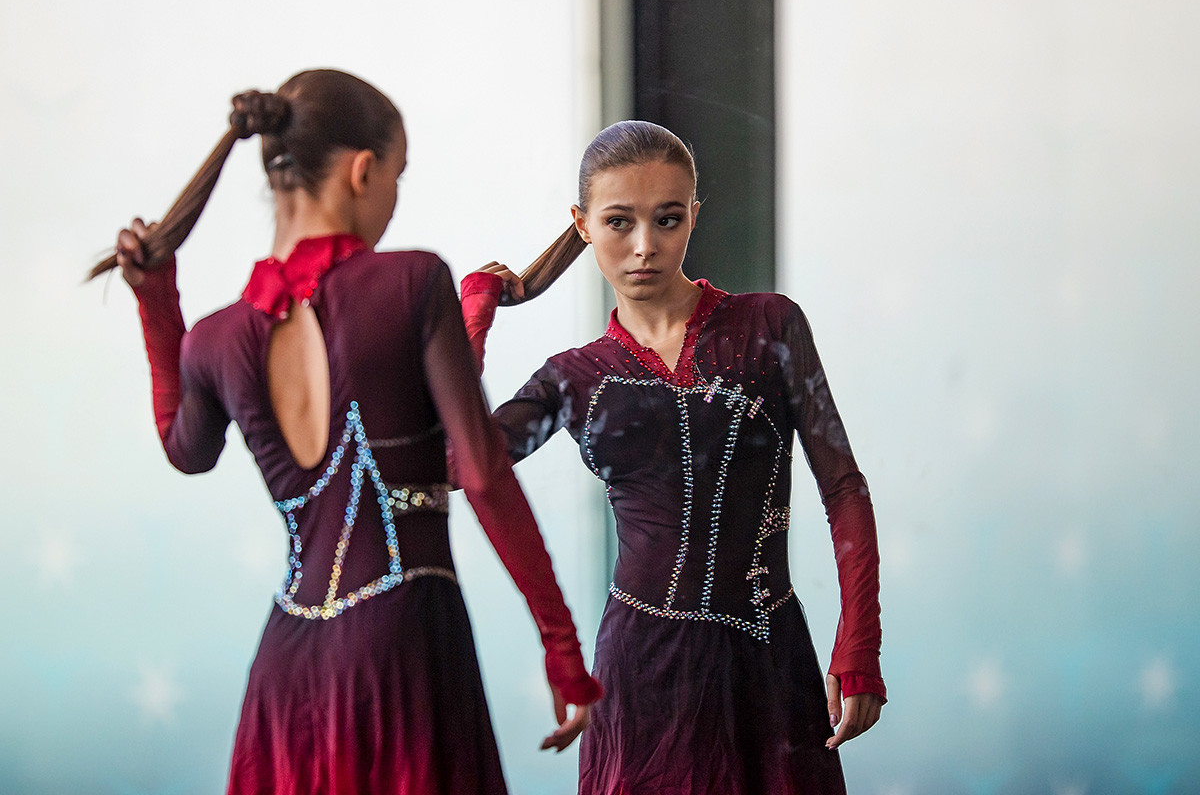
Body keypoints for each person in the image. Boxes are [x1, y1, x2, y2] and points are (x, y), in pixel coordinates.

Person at [95, 69, 602, 795]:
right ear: (364, 171)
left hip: (286, 669)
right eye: (398, 176)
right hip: (401, 645)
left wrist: (155, 299)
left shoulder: (215, 337)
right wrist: (561, 647)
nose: (395, 197)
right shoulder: (412, 281)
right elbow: (480, 468)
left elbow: (185, 449)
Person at [459, 120, 885, 794]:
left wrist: (858, 645)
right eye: (619, 222)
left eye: (667, 218)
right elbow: (463, 465)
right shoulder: (572, 377)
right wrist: (476, 314)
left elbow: (843, 487)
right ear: (582, 224)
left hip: (768, 663)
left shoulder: (771, 325)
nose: (644, 246)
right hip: (637, 678)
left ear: (694, 215)